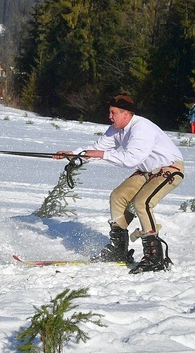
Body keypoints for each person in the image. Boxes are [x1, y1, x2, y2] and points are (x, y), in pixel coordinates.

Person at [54, 94, 184, 273]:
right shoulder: (116, 129)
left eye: (113, 113)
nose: (110, 116)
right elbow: (98, 148)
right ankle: (118, 249)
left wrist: (100, 155)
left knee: (142, 203)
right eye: (110, 112)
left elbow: (131, 159)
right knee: (118, 196)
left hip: (169, 170)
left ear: (126, 114)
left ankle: (155, 256)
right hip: (147, 171)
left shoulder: (141, 128)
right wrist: (73, 155)